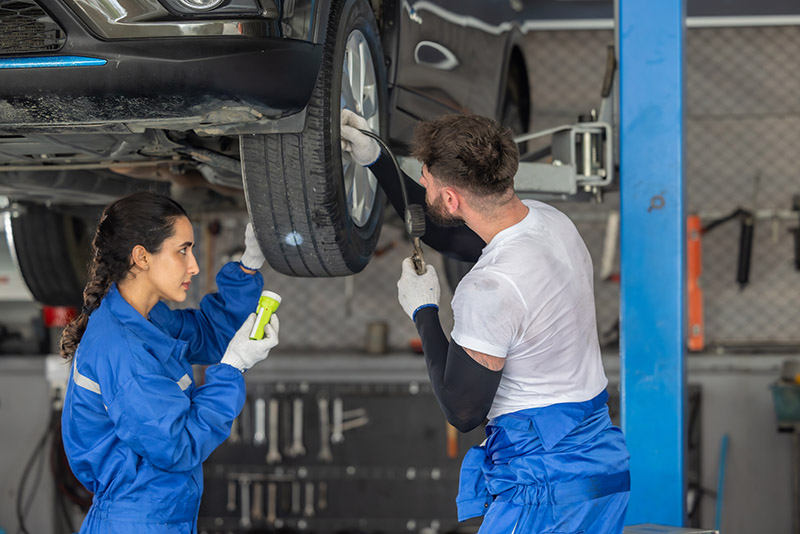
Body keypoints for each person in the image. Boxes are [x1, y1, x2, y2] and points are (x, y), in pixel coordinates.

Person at [341, 110, 630, 533]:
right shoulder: (548, 221)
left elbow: (462, 409)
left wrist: (424, 312)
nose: (424, 185)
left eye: (428, 181)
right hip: (600, 467)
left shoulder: (490, 286)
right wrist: (377, 160)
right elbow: (448, 234)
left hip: (543, 488)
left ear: (453, 198)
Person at [59, 191, 280, 534]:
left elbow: (207, 332)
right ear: (142, 257)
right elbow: (178, 445)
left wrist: (249, 264)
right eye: (182, 251)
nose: (193, 265)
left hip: (160, 518)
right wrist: (232, 369)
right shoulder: (122, 349)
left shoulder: (145, 319)